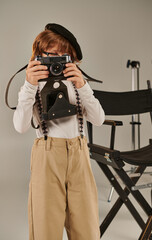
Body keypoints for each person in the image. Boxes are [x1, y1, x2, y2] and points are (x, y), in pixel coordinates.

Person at [13, 23, 105, 240]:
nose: (57, 62)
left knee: (87, 228)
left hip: (79, 154)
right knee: (46, 228)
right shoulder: (32, 84)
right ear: (39, 55)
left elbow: (99, 119)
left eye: (64, 57)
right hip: (47, 154)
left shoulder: (76, 84)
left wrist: (83, 84)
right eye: (51, 55)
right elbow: (20, 127)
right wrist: (28, 85)